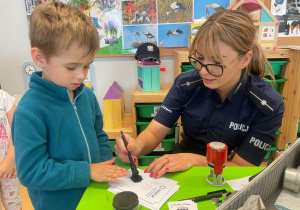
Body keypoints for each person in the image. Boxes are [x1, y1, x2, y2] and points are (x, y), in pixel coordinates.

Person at [115, 10, 285, 178]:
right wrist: (136, 146)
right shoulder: (185, 84)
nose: (203, 71)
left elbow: (241, 167)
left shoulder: (268, 105)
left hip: (225, 175)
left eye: (217, 62)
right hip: (180, 169)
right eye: (200, 58)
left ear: (245, 60)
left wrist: (194, 160)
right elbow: (153, 132)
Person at [11, 2, 127, 210]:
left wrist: (110, 168)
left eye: (87, 65)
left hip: (95, 195)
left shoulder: (87, 95)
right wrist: (88, 171)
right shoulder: (29, 111)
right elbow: (31, 172)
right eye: (71, 67)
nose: (81, 74)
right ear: (40, 58)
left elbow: (99, 136)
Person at [0, 90, 22, 209]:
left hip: (8, 166)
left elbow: (17, 127)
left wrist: (9, 159)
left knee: (14, 203)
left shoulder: (3, 97)